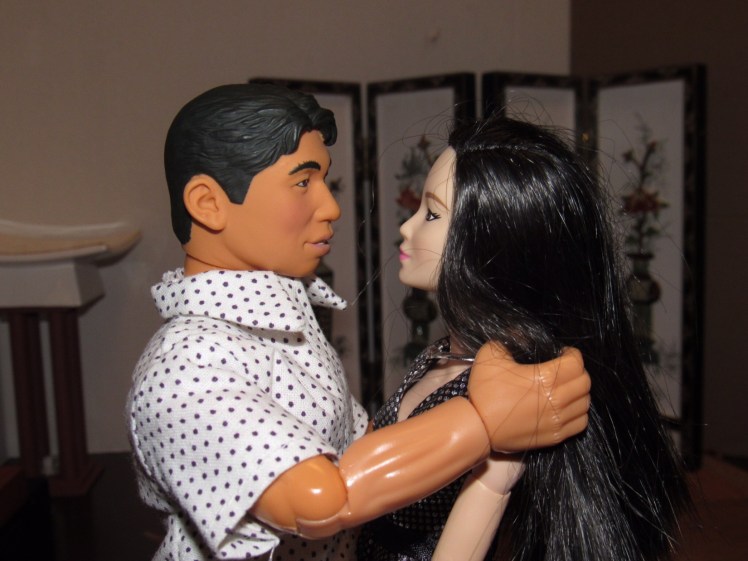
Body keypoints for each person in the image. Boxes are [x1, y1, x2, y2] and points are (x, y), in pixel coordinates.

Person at [127, 84, 591, 561]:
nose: (331, 207)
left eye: (324, 181)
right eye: (303, 183)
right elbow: (322, 501)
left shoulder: (287, 330)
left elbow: (361, 442)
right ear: (208, 203)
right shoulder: (185, 369)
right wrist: (482, 421)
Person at [357, 115, 690, 561]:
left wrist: (492, 480)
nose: (407, 227)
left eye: (432, 214)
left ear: (491, 243)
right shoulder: (444, 355)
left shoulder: (497, 389)